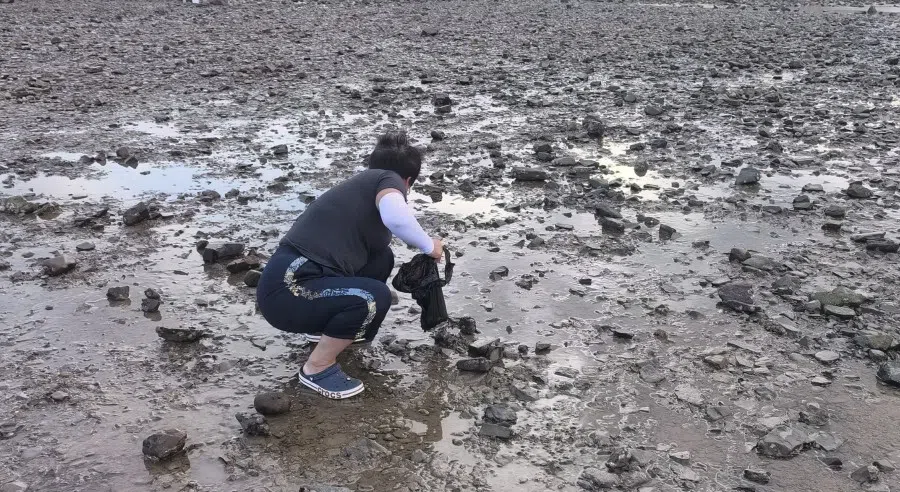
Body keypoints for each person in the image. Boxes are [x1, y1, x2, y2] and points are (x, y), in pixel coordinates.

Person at [256, 132, 443, 400]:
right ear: (408, 181)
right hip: (288, 290)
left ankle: (325, 330)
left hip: (297, 287)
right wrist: (430, 246)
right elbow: (396, 218)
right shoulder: (387, 179)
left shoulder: (362, 186)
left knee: (381, 257)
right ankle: (317, 368)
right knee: (373, 298)